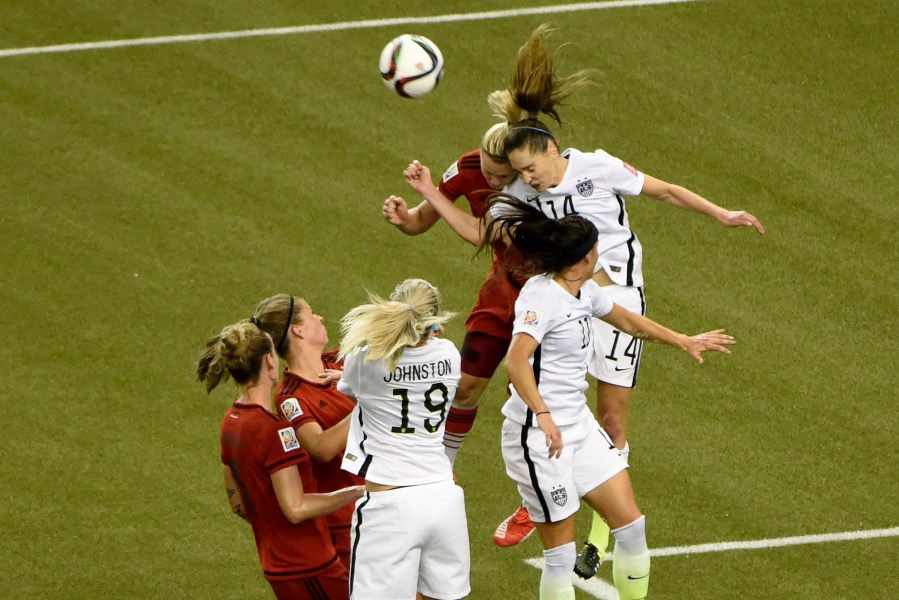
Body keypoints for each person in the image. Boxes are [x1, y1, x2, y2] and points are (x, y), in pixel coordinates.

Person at [405, 23, 765, 568]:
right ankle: (538, 496)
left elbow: (665, 190)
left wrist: (722, 213)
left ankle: (598, 537)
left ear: (551, 150)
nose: (527, 180)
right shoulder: (521, 192)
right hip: (569, 300)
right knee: (535, 396)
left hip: (621, 296)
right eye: (518, 173)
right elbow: (481, 232)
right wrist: (431, 193)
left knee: (612, 421)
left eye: (530, 169)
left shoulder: (597, 166)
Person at [483, 195, 734, 600]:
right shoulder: (541, 297)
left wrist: (683, 340)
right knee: (560, 558)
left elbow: (628, 321)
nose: (601, 252)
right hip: (538, 438)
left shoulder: (584, 291)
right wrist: (543, 414)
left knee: (631, 528)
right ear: (584, 258)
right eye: (597, 247)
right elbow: (516, 361)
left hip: (579, 427)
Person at [382, 124, 519, 479]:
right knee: (465, 386)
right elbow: (422, 219)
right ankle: (442, 470)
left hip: (548, 296)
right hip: (503, 288)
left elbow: (480, 232)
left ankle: (535, 490)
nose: (494, 180)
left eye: (502, 175)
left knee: (524, 396)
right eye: (489, 171)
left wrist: (428, 189)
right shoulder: (467, 168)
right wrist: (405, 219)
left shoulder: (534, 182)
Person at [196, 318, 364, 600]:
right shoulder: (275, 430)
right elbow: (296, 508)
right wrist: (357, 492)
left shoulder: (230, 422)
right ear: (269, 362)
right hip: (309, 564)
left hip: (277, 565)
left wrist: (274, 530)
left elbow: (238, 504)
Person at [335, 279, 470, 600]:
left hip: (390, 507)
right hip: (443, 498)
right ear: (434, 322)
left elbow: (354, 392)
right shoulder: (449, 354)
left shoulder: (364, 360)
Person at [250, 293, 365, 572]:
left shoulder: (341, 362)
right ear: (298, 330)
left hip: (388, 495)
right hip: (351, 521)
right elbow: (322, 447)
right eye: (312, 313)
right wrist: (369, 403)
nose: (320, 317)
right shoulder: (291, 397)